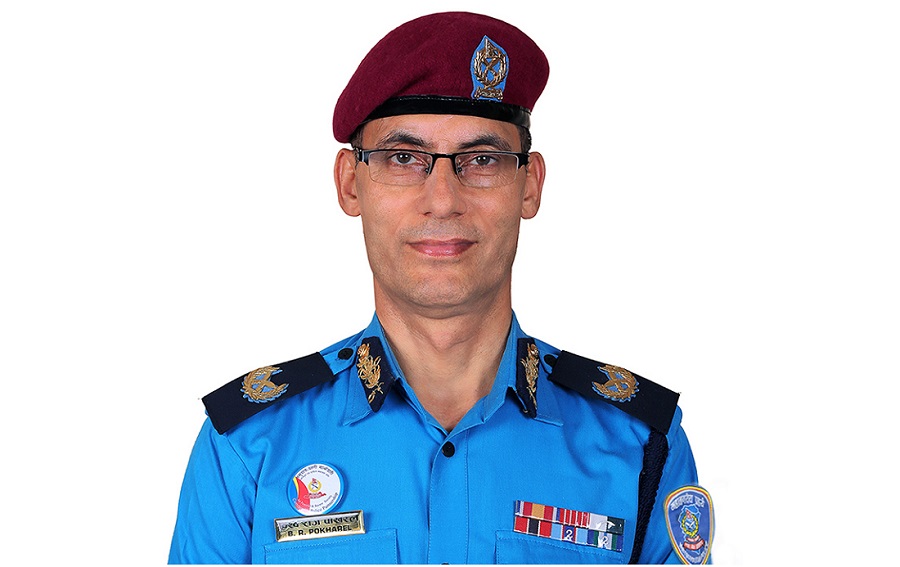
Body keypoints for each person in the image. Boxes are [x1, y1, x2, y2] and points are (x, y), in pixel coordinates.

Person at [169, 11, 713, 565]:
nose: (444, 199)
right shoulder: (248, 447)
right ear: (350, 183)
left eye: (482, 160)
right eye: (403, 158)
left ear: (530, 185)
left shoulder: (639, 446)